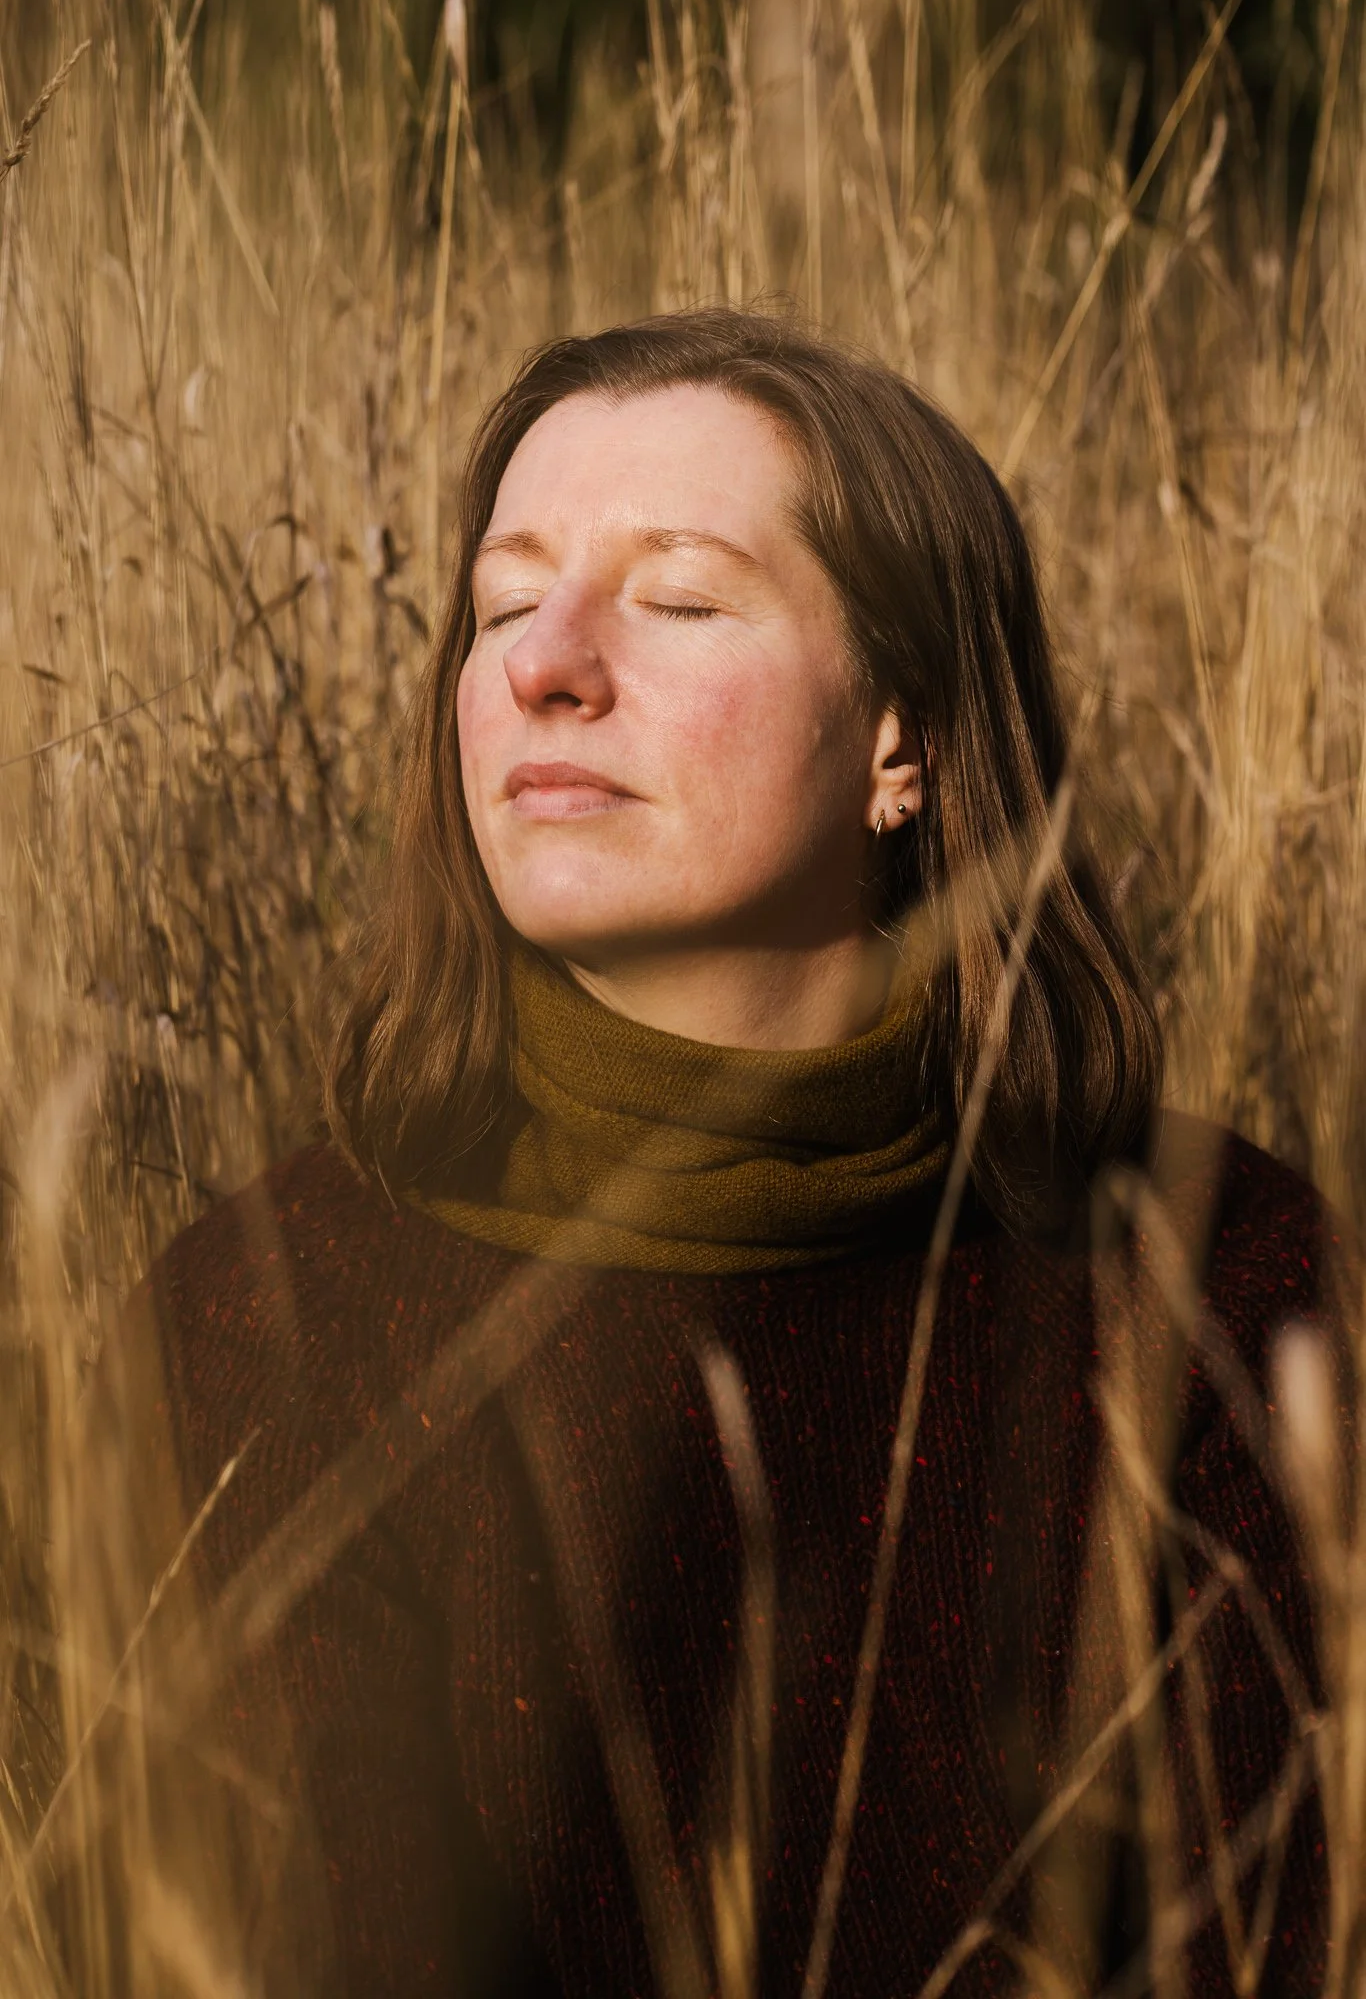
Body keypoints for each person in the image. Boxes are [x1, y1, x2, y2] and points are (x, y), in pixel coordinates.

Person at [120, 310, 1342, 1997]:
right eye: (501, 606)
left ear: (901, 739)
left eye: (679, 600)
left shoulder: (1217, 1284)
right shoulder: (272, 1309)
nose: (545, 665)